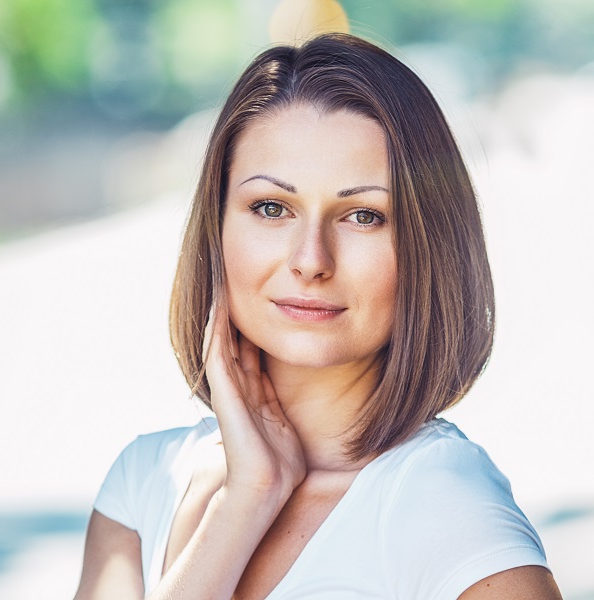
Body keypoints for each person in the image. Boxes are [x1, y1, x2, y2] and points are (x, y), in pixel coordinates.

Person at [74, 33, 562, 600]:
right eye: (271, 208)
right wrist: (245, 500)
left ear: (429, 247)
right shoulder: (144, 483)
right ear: (217, 226)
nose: (311, 260)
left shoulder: (449, 513)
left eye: (363, 216)